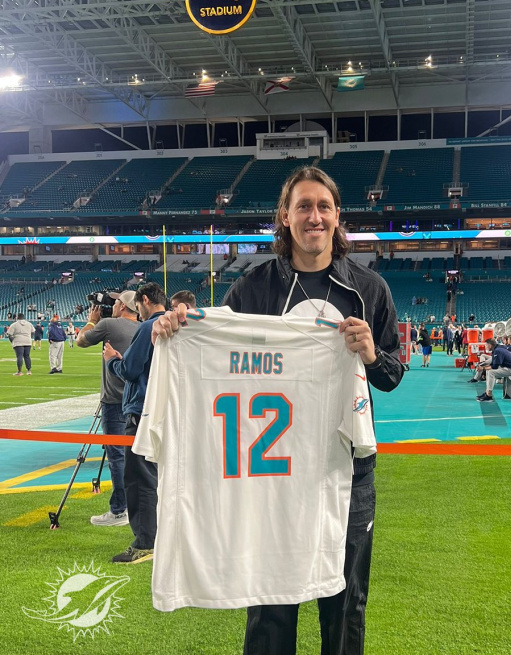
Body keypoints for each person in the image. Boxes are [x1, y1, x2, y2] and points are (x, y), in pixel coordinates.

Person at [152, 165, 403, 655]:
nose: (315, 216)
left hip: (346, 472)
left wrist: (371, 354)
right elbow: (215, 357)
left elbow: (391, 375)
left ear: (337, 217)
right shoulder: (252, 289)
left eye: (324, 206)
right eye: (303, 206)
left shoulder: (369, 289)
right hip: (271, 476)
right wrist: (175, 330)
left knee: (345, 604)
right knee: (269, 602)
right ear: (284, 217)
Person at [103, 282, 167, 564]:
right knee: (160, 478)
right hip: (170, 410)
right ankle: (161, 536)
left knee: (139, 478)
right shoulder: (177, 325)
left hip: (143, 410)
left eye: (138, 305)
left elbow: (129, 370)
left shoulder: (147, 327)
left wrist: (111, 362)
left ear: (144, 300)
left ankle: (145, 542)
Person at [77, 290, 140, 527]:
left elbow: (81, 341)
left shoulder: (110, 324)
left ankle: (119, 510)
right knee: (138, 455)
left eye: (115, 303)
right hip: (137, 399)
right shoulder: (142, 326)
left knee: (116, 456)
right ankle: (137, 507)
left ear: (122, 306)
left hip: (114, 401)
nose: (112, 306)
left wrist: (92, 320)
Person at [476, 337, 511, 403]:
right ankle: (487, 393)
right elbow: (493, 364)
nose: (485, 347)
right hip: (506, 368)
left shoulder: (498, 351)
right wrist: (483, 367)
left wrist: (482, 368)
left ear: (490, 345)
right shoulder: (497, 349)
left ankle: (489, 395)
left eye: (486, 345)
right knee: (489, 371)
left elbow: (494, 367)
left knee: (491, 372)